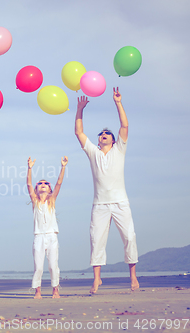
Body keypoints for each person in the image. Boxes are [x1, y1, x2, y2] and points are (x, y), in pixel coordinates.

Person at [75, 87, 139, 294]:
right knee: (96, 240)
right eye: (101, 134)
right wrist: (80, 109)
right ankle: (96, 280)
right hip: (100, 205)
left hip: (121, 202)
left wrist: (118, 103)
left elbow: (125, 125)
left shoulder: (120, 149)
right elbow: (79, 132)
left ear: (113, 139)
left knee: (129, 237)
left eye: (106, 134)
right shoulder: (93, 152)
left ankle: (133, 277)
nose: (103, 135)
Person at [27, 156, 67, 299]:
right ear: (37, 188)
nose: (43, 184)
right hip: (38, 236)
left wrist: (63, 166)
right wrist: (29, 168)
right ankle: (37, 291)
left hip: (52, 236)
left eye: (46, 183)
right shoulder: (35, 201)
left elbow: (59, 183)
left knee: (52, 265)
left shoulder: (52, 199)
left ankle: (55, 290)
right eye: (40, 183)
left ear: (49, 189)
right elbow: (29, 185)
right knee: (38, 266)